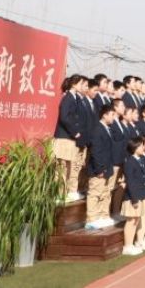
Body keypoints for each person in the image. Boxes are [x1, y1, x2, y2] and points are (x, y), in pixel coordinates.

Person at [53, 74, 90, 203]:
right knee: (61, 168)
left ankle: (66, 193)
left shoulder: (76, 98)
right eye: (81, 84)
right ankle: (59, 194)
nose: (83, 87)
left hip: (71, 138)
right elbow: (64, 117)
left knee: (69, 168)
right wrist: (75, 132)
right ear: (74, 84)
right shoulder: (68, 97)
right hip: (64, 138)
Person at [84, 104, 118, 229]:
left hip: (107, 168)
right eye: (112, 115)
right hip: (98, 169)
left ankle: (102, 216)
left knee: (104, 194)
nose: (114, 118)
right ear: (104, 115)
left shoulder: (107, 129)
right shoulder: (97, 129)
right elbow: (96, 151)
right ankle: (91, 219)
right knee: (95, 194)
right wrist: (100, 169)